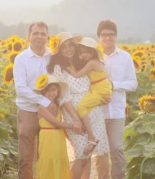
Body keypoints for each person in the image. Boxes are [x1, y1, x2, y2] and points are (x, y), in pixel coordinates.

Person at [47, 32, 110, 179]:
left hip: (93, 111)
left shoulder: (82, 62)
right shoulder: (59, 68)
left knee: (89, 155)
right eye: (64, 47)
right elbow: (63, 95)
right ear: (59, 51)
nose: (69, 49)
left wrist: (103, 97)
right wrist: (75, 118)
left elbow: (97, 81)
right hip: (74, 112)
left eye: (71, 45)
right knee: (81, 154)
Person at [13, 22, 58, 179]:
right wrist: (44, 101)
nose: (39, 36)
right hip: (28, 111)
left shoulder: (53, 57)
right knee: (26, 157)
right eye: (35, 33)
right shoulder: (21, 59)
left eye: (42, 34)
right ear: (29, 36)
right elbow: (21, 88)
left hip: (50, 112)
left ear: (47, 37)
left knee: (46, 155)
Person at [95, 20, 138, 179]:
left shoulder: (125, 57)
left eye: (111, 34)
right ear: (99, 37)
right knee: (101, 152)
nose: (107, 38)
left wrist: (113, 85)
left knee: (117, 149)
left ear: (116, 36)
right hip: (97, 112)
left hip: (117, 112)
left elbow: (133, 84)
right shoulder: (93, 57)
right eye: (104, 35)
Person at [66, 37, 112, 156]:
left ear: (93, 52)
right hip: (99, 88)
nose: (84, 55)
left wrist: (68, 68)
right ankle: (89, 131)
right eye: (82, 52)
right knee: (87, 109)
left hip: (99, 91)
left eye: (87, 52)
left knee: (81, 107)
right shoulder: (95, 61)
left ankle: (92, 138)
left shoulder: (91, 63)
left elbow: (77, 75)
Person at [34, 74, 72, 179]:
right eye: (48, 91)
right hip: (47, 137)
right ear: (43, 92)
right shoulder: (42, 107)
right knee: (48, 159)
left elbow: (61, 125)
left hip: (58, 137)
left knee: (59, 158)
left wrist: (70, 139)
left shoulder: (58, 105)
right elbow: (56, 123)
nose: (51, 93)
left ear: (58, 90)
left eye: (54, 90)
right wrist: (74, 126)